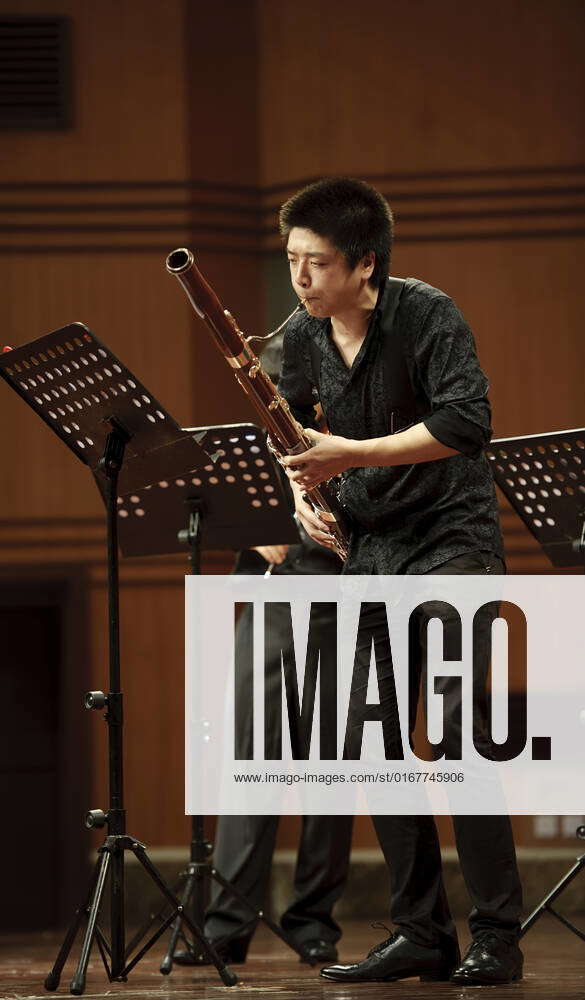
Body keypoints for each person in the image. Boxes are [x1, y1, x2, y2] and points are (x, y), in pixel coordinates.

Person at [275, 177, 523, 986]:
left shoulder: (426, 313)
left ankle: (496, 936)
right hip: (367, 548)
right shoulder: (304, 331)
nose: (300, 278)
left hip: (450, 538)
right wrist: (298, 496)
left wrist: (346, 454)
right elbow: (280, 423)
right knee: (376, 741)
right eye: (291, 261)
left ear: (364, 264)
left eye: (314, 263)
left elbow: (464, 422)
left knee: (457, 732)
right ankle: (421, 931)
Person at [175, 331, 353, 967]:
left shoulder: (365, 414)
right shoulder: (265, 418)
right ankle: (226, 922)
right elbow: (236, 496)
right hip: (281, 595)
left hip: (346, 594)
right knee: (254, 759)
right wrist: (259, 532)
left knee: (330, 769)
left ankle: (313, 921)